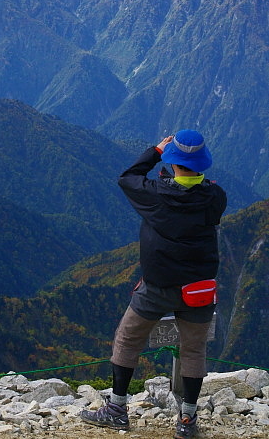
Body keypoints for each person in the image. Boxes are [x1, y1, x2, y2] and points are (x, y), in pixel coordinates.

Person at [80, 130, 227, 439]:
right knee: (194, 349)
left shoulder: (156, 194)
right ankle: (187, 421)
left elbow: (127, 177)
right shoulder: (216, 197)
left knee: (128, 339)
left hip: (157, 288)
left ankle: (118, 409)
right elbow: (197, 199)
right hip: (199, 290)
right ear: (202, 163)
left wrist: (156, 150)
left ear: (172, 161)